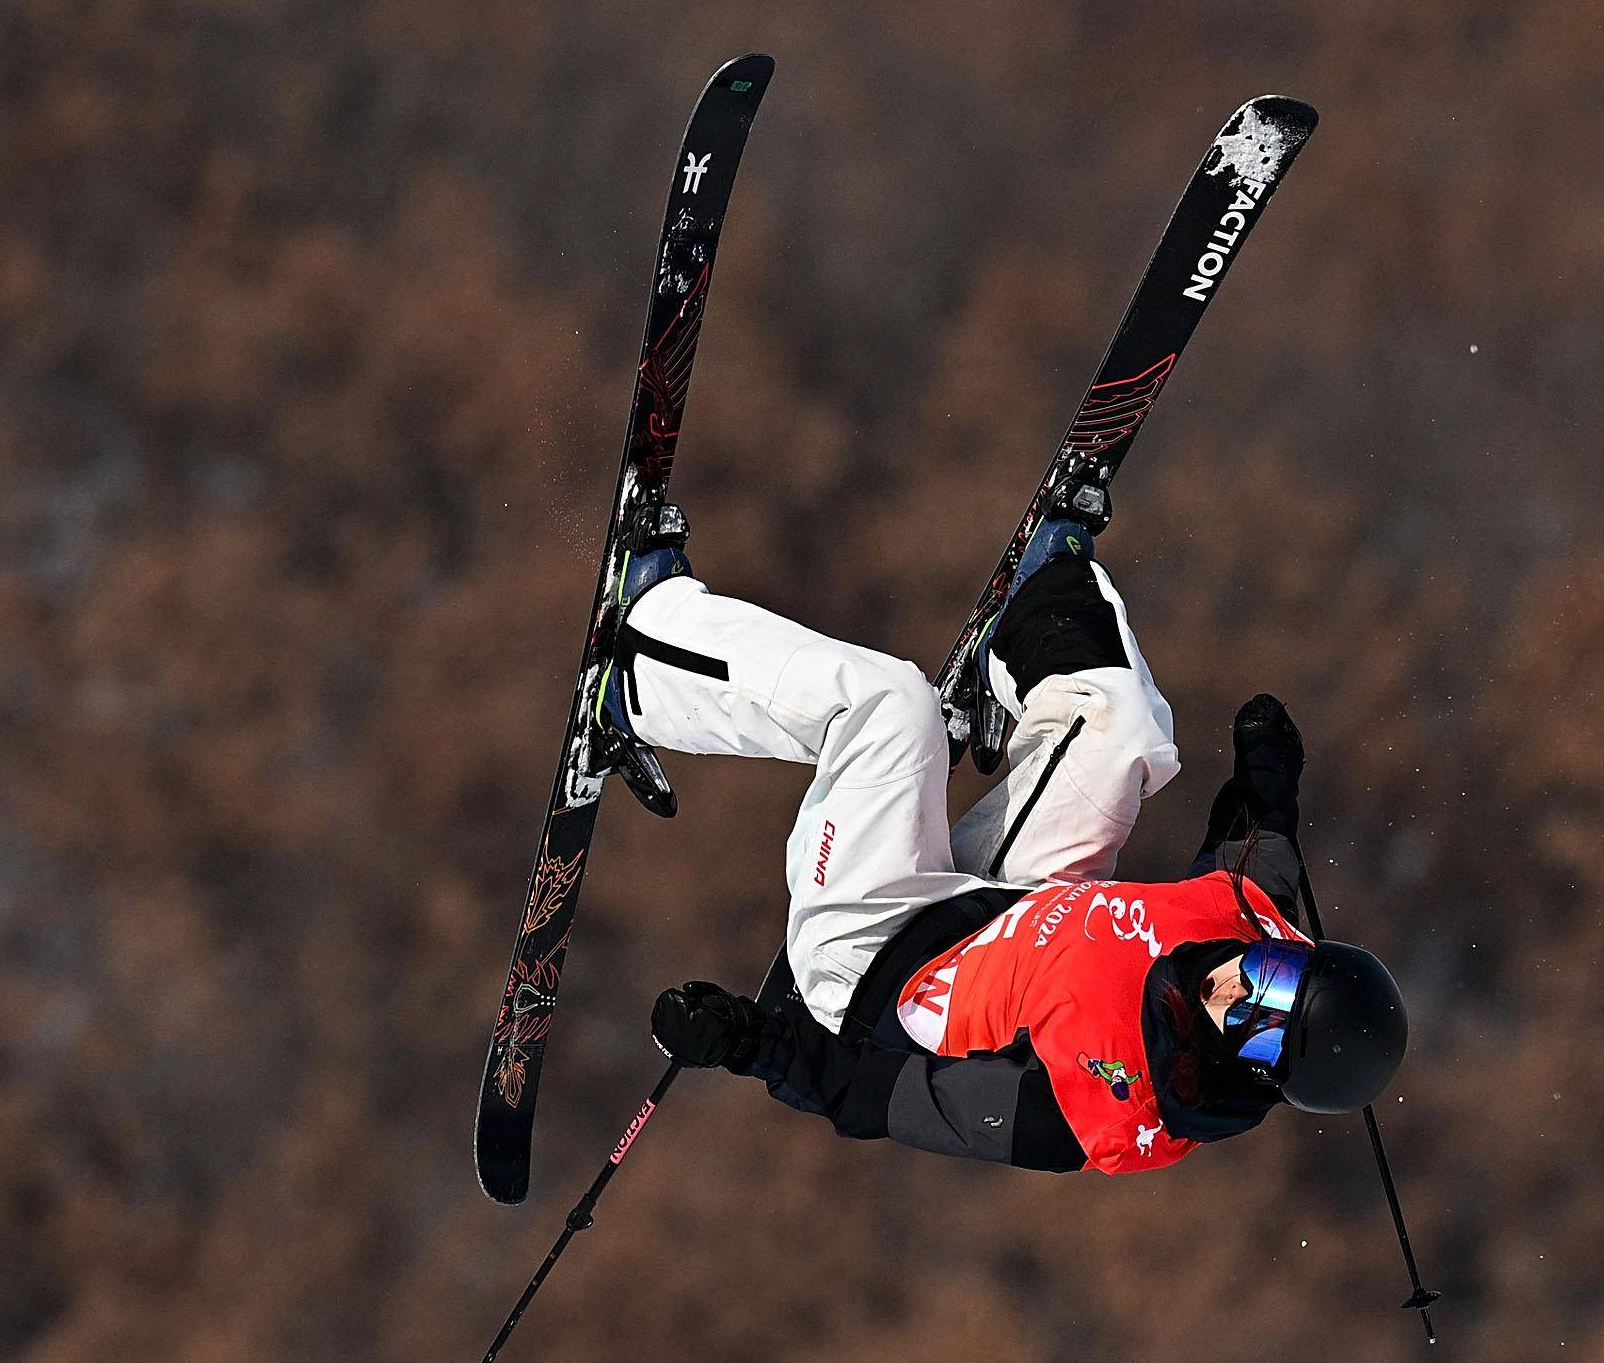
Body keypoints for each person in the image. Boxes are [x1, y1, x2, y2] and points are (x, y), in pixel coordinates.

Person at [603, 503, 1407, 1174]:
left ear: (1261, 1075)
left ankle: (644, 665)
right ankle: (1035, 613)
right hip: (994, 911)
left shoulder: (1105, 1107)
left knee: (893, 706)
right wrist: (1271, 758)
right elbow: (1260, 838)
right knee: (1122, 734)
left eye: (1256, 1029)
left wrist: (749, 1041)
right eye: (1268, 978)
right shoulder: (1253, 916)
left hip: (868, 965)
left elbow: (880, 1099)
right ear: (1292, 951)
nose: (1237, 994)